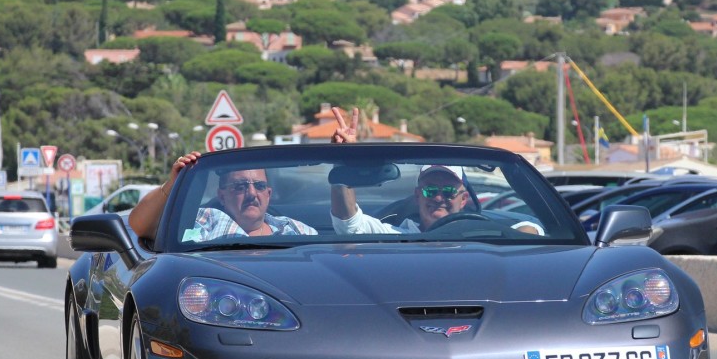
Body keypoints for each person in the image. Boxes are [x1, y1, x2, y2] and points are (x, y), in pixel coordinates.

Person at [327, 106, 540, 235]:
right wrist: (344, 160)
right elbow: (349, 225)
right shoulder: (397, 235)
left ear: (463, 199)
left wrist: (526, 231)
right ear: (418, 195)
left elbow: (534, 229)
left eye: (448, 191)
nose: (439, 197)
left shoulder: (481, 236)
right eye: (430, 191)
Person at [127, 152, 316, 243]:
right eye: (240, 186)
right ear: (221, 196)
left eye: (259, 186)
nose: (252, 194)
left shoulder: (294, 230)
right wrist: (173, 182)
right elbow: (139, 225)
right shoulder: (201, 225)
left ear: (269, 194)